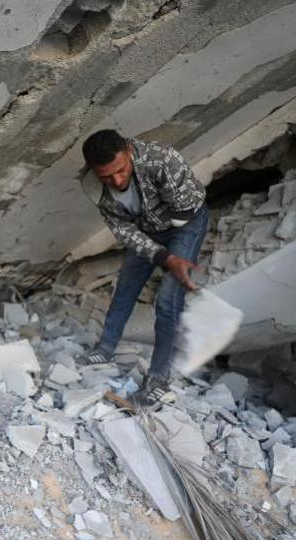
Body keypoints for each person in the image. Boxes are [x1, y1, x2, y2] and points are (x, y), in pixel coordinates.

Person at [80, 129, 209, 404]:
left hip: (185, 224)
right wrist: (161, 256)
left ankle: (158, 378)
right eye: (106, 176)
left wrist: (173, 258)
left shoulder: (161, 160)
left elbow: (185, 209)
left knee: (167, 300)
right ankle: (105, 348)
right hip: (146, 230)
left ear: (129, 151)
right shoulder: (93, 187)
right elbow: (123, 230)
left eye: (121, 170)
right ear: (94, 172)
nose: (116, 180)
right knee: (125, 285)